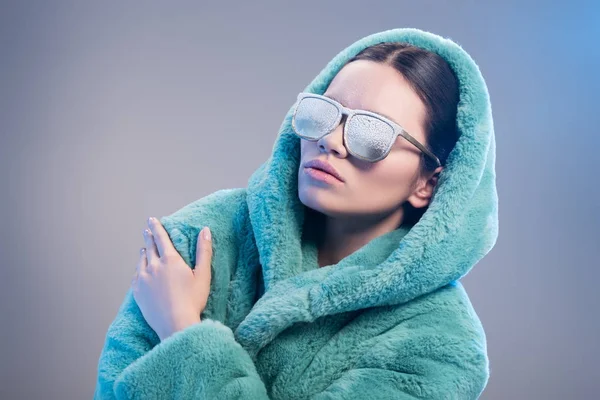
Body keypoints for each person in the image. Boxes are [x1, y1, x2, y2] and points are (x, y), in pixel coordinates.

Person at [94, 27, 498, 399]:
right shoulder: (205, 237)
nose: (331, 142)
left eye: (371, 132)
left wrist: (182, 327)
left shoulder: (441, 345)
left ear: (428, 182)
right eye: (323, 113)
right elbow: (114, 388)